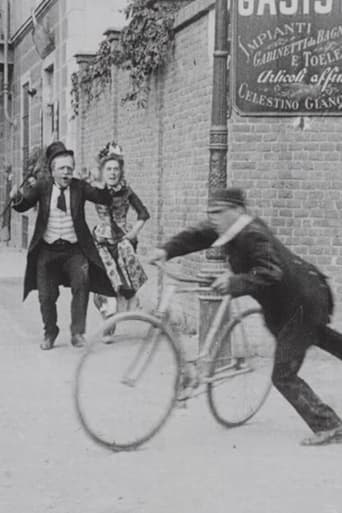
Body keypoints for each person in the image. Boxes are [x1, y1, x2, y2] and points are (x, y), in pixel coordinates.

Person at [148, 187, 342, 446]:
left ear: (237, 211)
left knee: (282, 375)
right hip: (293, 302)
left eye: (218, 212)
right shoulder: (228, 229)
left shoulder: (253, 234)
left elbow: (271, 272)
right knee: (320, 337)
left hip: (302, 304)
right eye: (210, 212)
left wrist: (235, 282)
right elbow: (195, 236)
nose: (212, 218)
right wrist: (166, 251)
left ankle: (330, 425)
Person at [10, 141, 116, 350]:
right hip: (47, 250)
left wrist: (101, 184)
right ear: (53, 171)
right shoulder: (42, 186)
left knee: (82, 283)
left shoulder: (80, 187)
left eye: (70, 168)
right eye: (62, 169)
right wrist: (16, 197)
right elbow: (24, 205)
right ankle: (50, 332)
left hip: (75, 250)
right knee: (45, 296)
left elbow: (103, 199)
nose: (67, 173)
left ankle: (77, 333)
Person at [91, 142, 149, 337]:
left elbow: (143, 213)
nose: (113, 173)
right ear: (102, 171)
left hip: (123, 243)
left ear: (120, 171)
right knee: (106, 282)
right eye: (109, 169)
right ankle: (108, 323)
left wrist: (133, 232)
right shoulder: (96, 190)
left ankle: (112, 320)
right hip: (102, 241)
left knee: (123, 284)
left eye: (116, 169)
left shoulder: (127, 191)